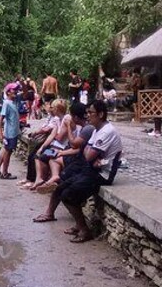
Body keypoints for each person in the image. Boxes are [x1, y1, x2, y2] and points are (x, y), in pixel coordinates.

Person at [33, 101, 123, 243]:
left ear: (100, 114)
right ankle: (77, 224)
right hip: (92, 168)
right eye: (87, 113)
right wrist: (91, 154)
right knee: (62, 186)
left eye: (91, 113)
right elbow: (86, 152)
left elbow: (87, 154)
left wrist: (91, 154)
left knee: (68, 195)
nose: (88, 116)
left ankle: (84, 230)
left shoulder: (106, 131)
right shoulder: (96, 129)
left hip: (102, 174)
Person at [0, 84, 20, 180]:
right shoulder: (7, 103)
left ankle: (0, 170)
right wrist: (0, 134)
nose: (16, 92)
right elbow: (0, 119)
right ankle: (4, 173)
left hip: (14, 131)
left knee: (7, 151)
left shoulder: (13, 102)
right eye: (14, 90)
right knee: (8, 153)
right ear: (8, 92)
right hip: (10, 132)